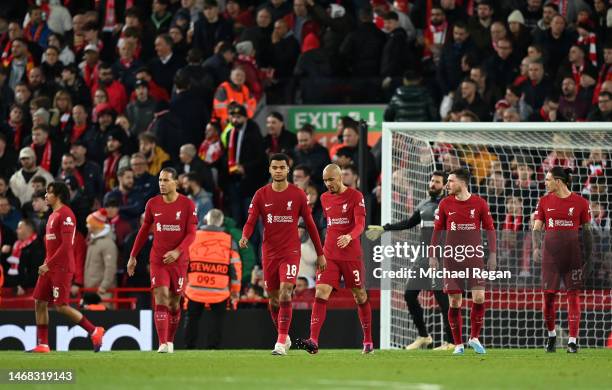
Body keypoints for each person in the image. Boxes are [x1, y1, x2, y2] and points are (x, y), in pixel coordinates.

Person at [240, 153, 325, 355]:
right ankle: (284, 335)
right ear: (270, 170)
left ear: (287, 170)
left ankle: (280, 342)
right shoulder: (261, 194)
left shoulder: (298, 195)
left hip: (290, 251)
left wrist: (320, 253)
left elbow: (311, 226)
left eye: (282, 167)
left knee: (287, 290)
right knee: (274, 299)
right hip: (269, 253)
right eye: (275, 167)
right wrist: (245, 235)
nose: (278, 170)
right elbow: (251, 220)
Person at [368, 171, 454, 350]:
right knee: (409, 294)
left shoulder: (449, 205)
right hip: (422, 258)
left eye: (437, 182)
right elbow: (408, 223)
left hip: (440, 258)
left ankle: (451, 341)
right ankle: (423, 336)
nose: (432, 184)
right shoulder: (423, 204)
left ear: (445, 186)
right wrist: (385, 228)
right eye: (431, 180)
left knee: (441, 298)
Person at [295, 164, 371, 354]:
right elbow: (329, 223)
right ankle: (313, 340)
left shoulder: (356, 196)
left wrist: (349, 236)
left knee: (359, 295)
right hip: (329, 254)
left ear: (340, 177)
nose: (328, 184)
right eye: (325, 181)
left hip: (351, 254)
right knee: (321, 292)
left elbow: (361, 224)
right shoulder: (324, 198)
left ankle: (368, 341)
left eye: (331, 179)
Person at [28, 181, 105, 353]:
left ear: (59, 195)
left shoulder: (66, 215)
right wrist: (46, 263)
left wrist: (49, 264)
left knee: (61, 305)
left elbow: (66, 246)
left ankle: (94, 330)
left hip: (60, 267)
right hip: (49, 266)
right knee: (39, 302)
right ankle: (43, 344)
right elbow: (53, 245)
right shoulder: (52, 215)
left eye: (49, 192)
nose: (46, 195)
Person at [127, 168, 197, 353]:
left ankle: (170, 340)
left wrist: (178, 251)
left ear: (176, 183)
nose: (162, 183)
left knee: (174, 303)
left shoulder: (187, 204)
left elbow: (191, 234)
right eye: (160, 180)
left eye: (166, 180)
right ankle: (162, 343)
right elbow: (143, 231)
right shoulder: (152, 203)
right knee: (161, 296)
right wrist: (133, 255)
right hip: (158, 260)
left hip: (179, 261)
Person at [429, 168, 496, 355]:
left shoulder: (479, 203)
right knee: (455, 301)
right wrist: (433, 255)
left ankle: (474, 338)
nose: (447, 184)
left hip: (474, 256)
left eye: (450, 181)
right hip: (451, 258)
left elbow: (490, 229)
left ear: (462, 183)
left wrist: (492, 254)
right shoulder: (444, 203)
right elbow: (437, 231)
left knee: (479, 298)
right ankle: (458, 344)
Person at [532, 167, 592, 354]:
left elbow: (588, 231)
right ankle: (551, 336)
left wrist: (589, 257)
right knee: (548, 298)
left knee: (573, 296)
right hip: (550, 257)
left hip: (572, 256)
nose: (545, 183)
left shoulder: (581, 202)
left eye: (548, 180)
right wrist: (535, 247)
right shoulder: (544, 201)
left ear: (558, 181)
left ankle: (572, 341)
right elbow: (537, 228)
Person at [184, 209, 241, 349]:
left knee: (192, 319)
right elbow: (235, 269)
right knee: (216, 321)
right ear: (221, 222)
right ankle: (213, 348)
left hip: (195, 288)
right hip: (219, 290)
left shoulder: (193, 237)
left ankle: (189, 347)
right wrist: (235, 291)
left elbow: (184, 262)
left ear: (206, 220)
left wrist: (182, 285)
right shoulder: (229, 240)